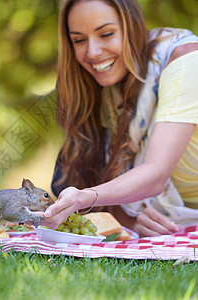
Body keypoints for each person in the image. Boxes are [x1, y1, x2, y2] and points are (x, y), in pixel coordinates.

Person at [38, 0, 198, 237]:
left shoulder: (186, 60)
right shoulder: (105, 93)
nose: (92, 52)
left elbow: (156, 173)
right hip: (178, 223)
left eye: (106, 34)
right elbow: (99, 184)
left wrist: (84, 197)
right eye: (79, 40)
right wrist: (131, 221)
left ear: (131, 27)